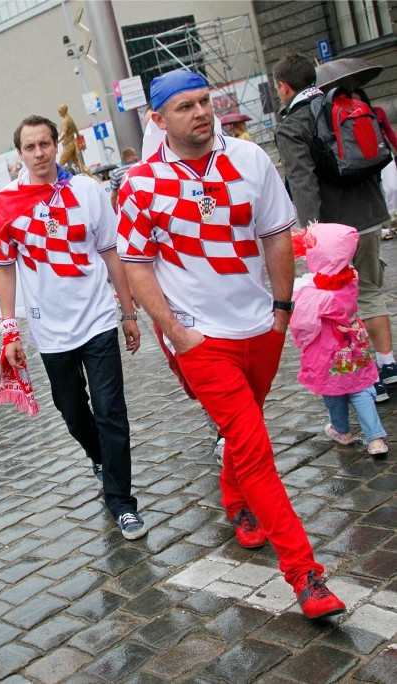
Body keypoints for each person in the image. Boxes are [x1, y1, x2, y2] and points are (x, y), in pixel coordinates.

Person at [117, 69, 345, 619]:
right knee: (255, 445)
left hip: (260, 329)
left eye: (204, 102)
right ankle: (306, 576)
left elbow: (276, 237)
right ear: (158, 119)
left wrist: (282, 312)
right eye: (185, 107)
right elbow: (135, 264)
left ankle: (233, 499)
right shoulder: (141, 183)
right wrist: (177, 333)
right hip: (202, 341)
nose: (200, 113)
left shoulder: (249, 159)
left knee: (241, 437)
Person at [0, 114, 146, 541]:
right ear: (19, 153)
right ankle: (99, 456)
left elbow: (111, 256)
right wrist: (10, 331)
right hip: (49, 330)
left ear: (57, 145)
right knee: (72, 412)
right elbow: (5, 268)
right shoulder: (7, 202)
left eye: (45, 144)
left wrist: (128, 313)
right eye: (30, 146)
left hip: (98, 320)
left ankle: (122, 502)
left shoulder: (87, 190)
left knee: (112, 412)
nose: (39, 153)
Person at [273, 52, 396, 403]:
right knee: (370, 290)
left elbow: (303, 181)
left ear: (284, 86)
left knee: (340, 305)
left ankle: (366, 381)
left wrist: (310, 232)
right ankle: (388, 365)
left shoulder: (293, 124)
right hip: (371, 215)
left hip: (332, 231)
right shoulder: (348, 101)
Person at [290, 222, 388, 456]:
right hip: (354, 347)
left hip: (327, 354)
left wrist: (302, 341)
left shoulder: (312, 294)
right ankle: (376, 439)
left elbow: (303, 324)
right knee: (361, 388)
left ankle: (341, 430)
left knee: (333, 389)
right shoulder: (351, 278)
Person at [57, 104, 91, 175]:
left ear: (63, 110)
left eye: (60, 110)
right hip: (73, 143)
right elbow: (77, 131)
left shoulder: (65, 121)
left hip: (68, 145)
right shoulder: (70, 119)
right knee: (78, 163)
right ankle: (89, 173)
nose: (59, 112)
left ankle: (58, 180)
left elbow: (63, 133)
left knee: (60, 163)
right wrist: (81, 142)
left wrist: (56, 141)